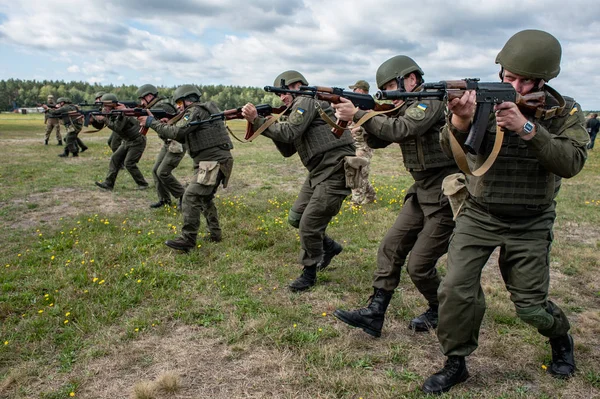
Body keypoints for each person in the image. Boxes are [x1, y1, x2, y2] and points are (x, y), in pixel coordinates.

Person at [421, 30, 589, 395]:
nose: (512, 84)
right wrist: (461, 121)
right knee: (455, 288)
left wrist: (528, 128)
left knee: (530, 308)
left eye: (522, 80)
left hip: (530, 220)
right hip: (479, 213)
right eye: (507, 76)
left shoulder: (565, 111)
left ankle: (559, 336)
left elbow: (572, 162)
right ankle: (456, 361)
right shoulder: (481, 101)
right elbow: (452, 153)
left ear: (543, 80)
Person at [332, 56, 458, 337]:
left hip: (444, 191)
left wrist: (360, 114)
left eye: (392, 84)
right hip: (421, 189)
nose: (390, 90)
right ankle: (375, 313)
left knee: (419, 265)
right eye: (386, 86)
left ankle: (441, 309)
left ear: (411, 79)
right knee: (390, 247)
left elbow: (403, 130)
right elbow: (381, 139)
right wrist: (366, 115)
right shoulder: (404, 105)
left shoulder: (431, 100)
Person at [241, 71, 355, 292]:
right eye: (280, 96)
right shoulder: (297, 108)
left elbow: (290, 132)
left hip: (335, 170)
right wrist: (261, 124)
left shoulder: (306, 100)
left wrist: (257, 119)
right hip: (317, 172)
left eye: (284, 93)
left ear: (297, 86)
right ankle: (329, 247)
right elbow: (287, 148)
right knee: (296, 218)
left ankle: (309, 272)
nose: (282, 99)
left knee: (308, 224)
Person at [138, 84, 233, 249]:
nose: (177, 107)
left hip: (213, 163)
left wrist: (151, 122)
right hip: (212, 162)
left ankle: (188, 239)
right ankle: (215, 234)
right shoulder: (201, 112)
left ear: (187, 100)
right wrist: (166, 125)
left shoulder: (195, 112)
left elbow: (177, 134)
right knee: (204, 198)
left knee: (190, 196)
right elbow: (183, 135)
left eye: (179, 103)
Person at [136, 84, 186, 209]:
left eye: (143, 99)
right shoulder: (157, 106)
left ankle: (183, 196)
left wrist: (153, 121)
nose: (142, 102)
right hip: (169, 142)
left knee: (163, 172)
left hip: (177, 143)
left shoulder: (162, 106)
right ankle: (164, 199)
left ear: (149, 96)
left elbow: (172, 126)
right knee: (155, 171)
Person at [94, 93, 149, 191]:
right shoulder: (112, 112)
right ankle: (108, 183)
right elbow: (100, 122)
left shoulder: (122, 113)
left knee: (129, 163)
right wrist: (98, 117)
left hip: (137, 140)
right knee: (115, 158)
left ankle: (143, 184)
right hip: (127, 140)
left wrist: (104, 119)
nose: (104, 107)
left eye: (106, 105)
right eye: (104, 105)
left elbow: (117, 128)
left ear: (112, 105)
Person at [348, 80, 376, 205]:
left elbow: (372, 125)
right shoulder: (357, 107)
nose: (353, 92)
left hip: (364, 146)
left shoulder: (370, 108)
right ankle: (370, 195)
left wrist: (357, 128)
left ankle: (356, 203)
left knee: (357, 173)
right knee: (360, 173)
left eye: (355, 89)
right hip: (355, 144)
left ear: (361, 91)